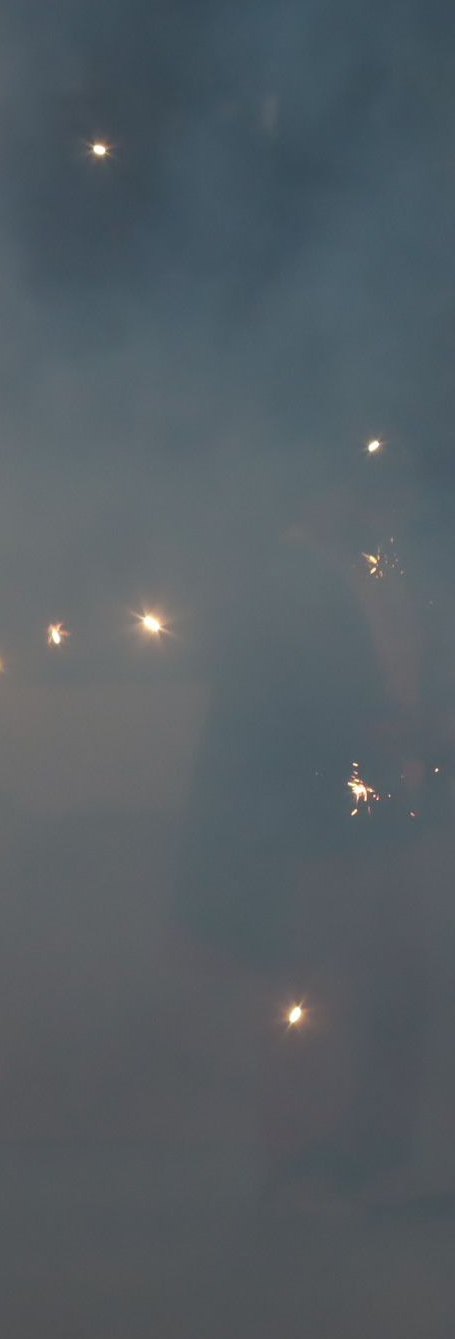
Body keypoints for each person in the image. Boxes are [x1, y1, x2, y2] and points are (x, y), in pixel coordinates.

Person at [172, 472, 439, 1208]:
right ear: (320, 496)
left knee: (393, 990)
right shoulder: (286, 584)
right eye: (358, 491)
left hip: (386, 815)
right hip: (319, 825)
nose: (383, 506)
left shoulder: (375, 576)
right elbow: (294, 709)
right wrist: (392, 732)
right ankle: (306, 1163)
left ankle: (376, 1158)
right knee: (313, 993)